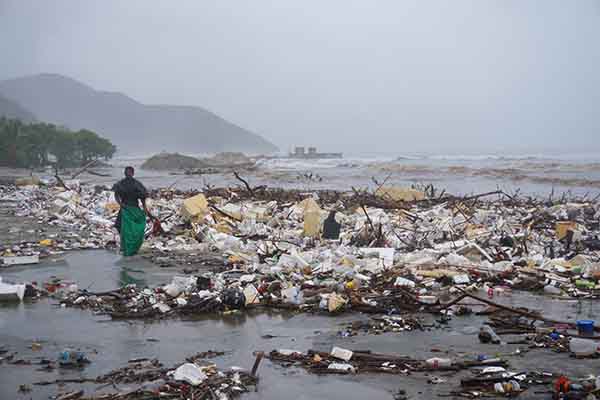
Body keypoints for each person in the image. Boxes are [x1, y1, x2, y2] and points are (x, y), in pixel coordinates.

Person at [113, 166, 152, 256]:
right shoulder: (133, 184)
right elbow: (143, 197)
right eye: (128, 173)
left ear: (132, 173)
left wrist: (145, 209)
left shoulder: (125, 184)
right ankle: (128, 248)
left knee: (127, 230)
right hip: (129, 209)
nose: (128, 174)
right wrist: (121, 204)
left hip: (129, 209)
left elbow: (142, 197)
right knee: (131, 230)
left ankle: (127, 248)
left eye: (129, 172)